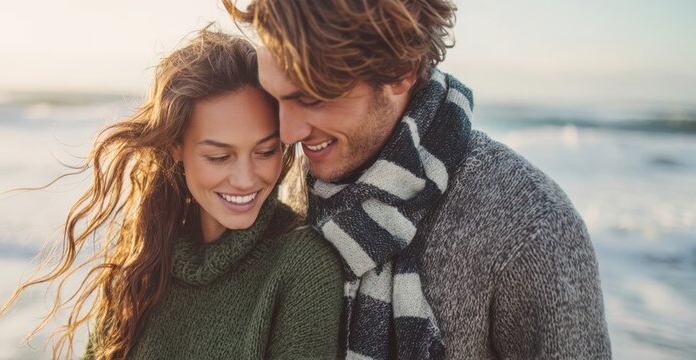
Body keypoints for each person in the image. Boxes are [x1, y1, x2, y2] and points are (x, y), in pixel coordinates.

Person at [223, 0, 612, 359]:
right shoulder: (283, 184)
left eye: (310, 98)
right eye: (275, 97)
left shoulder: (529, 228)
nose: (287, 133)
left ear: (400, 72)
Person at [0, 29, 343, 360]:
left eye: (265, 152)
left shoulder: (302, 267)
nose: (245, 179)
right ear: (175, 146)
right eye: (219, 157)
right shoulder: (143, 254)